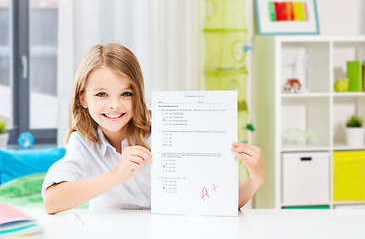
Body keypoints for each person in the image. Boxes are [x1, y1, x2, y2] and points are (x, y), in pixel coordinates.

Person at [42, 43, 265, 214]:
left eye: (126, 94)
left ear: (137, 94)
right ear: (83, 98)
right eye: (101, 94)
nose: (114, 104)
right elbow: (52, 202)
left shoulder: (164, 132)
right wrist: (117, 175)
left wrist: (255, 180)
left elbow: (216, 200)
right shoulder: (82, 142)